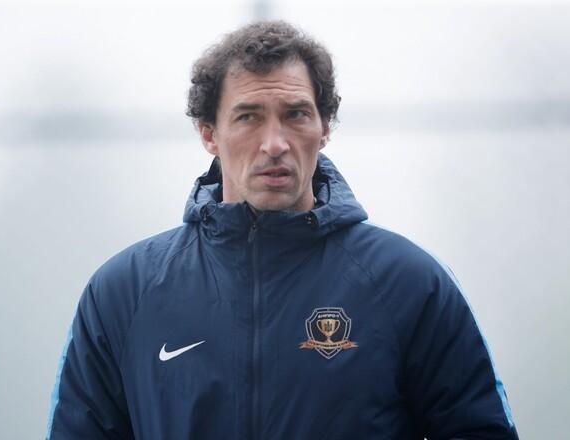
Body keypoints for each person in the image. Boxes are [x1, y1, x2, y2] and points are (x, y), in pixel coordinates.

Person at [45, 20, 518, 439]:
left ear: (324, 127)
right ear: (209, 133)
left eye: (295, 114)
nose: (274, 144)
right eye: (248, 117)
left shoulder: (408, 282)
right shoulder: (123, 293)